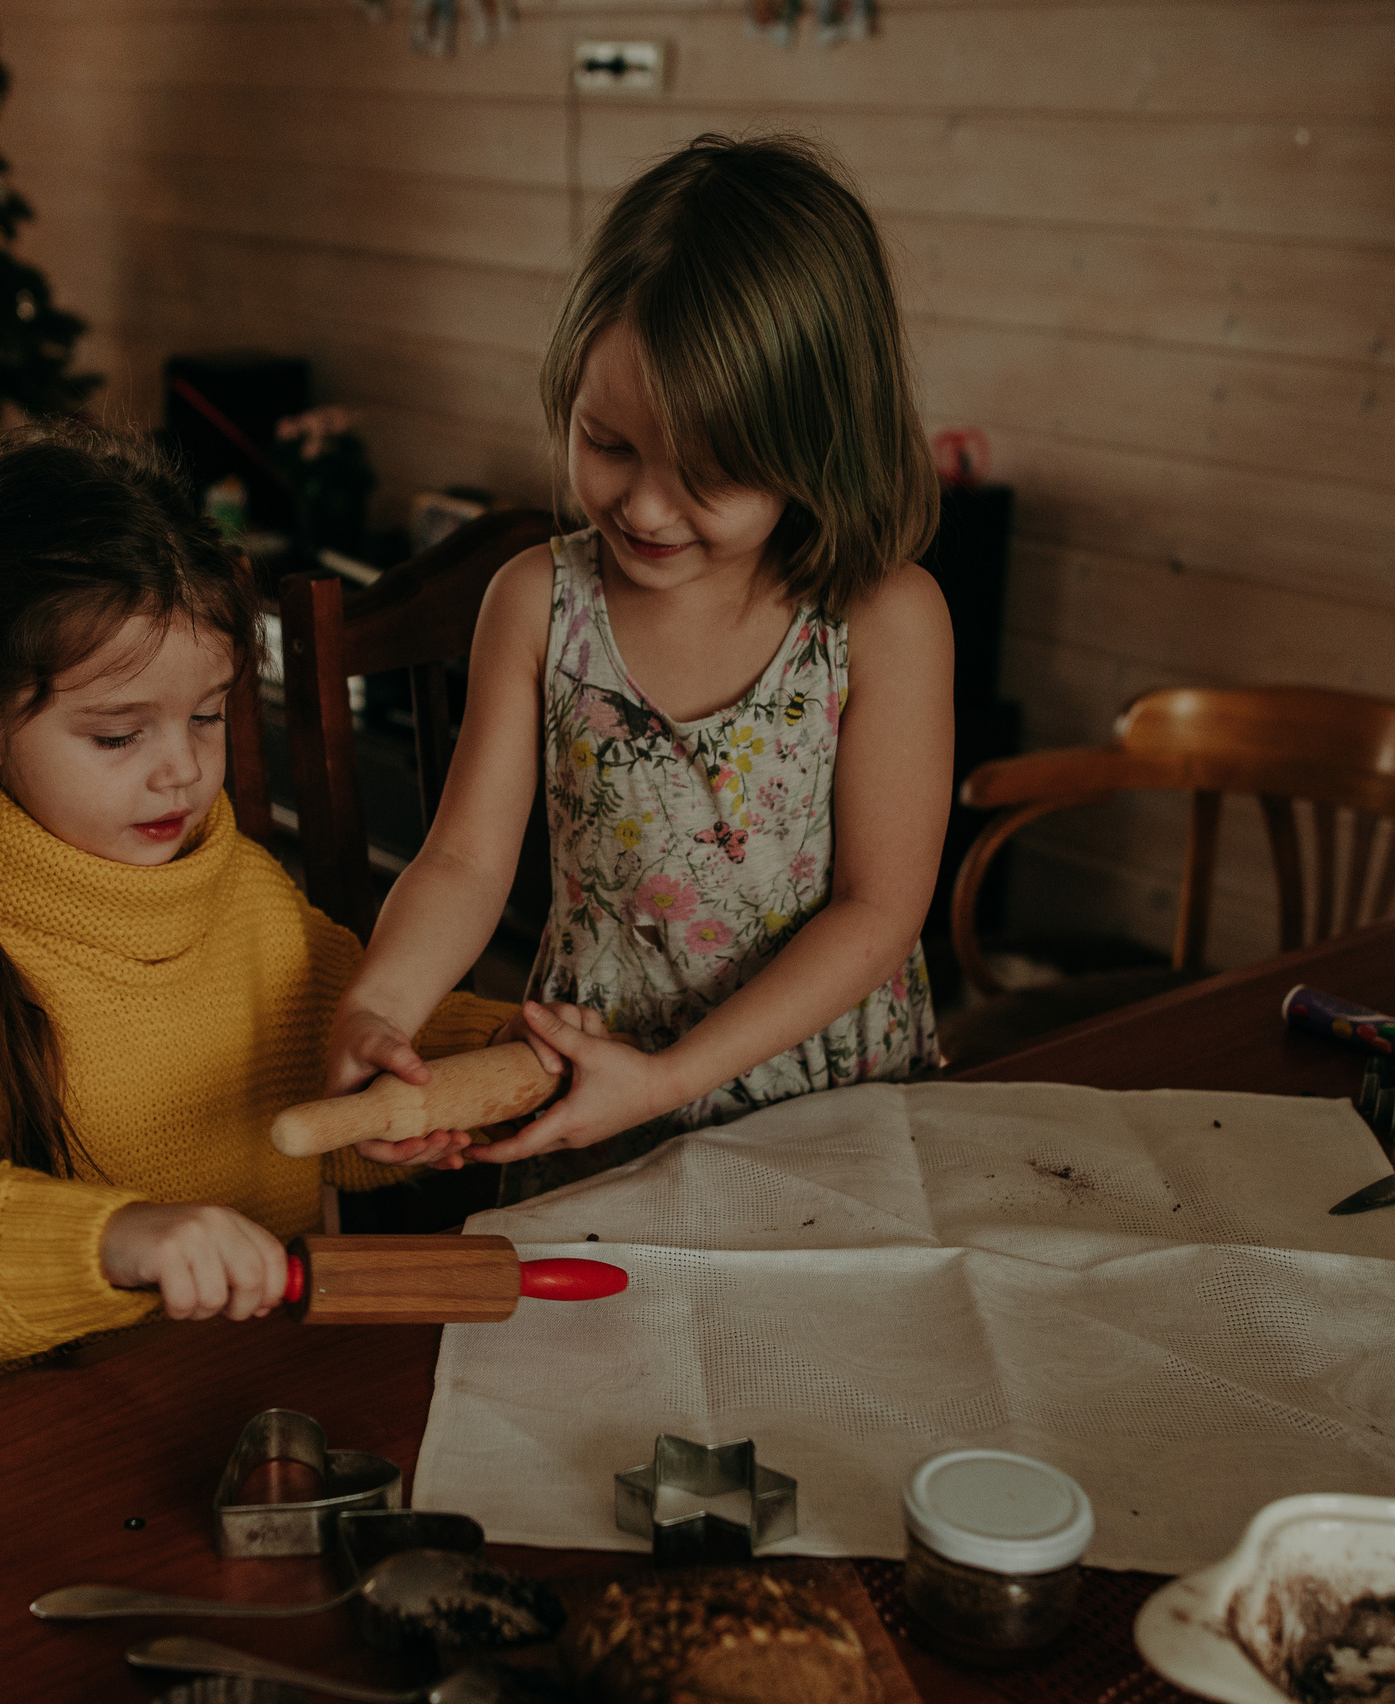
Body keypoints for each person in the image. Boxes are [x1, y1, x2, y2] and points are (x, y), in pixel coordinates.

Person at [0, 423, 509, 1400]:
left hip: (232, 1399)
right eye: (118, 736)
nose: (182, 768)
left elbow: (346, 1072)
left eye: (207, 715)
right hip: (10, 1444)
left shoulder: (244, 890)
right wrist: (112, 1241)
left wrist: (486, 1059)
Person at [324, 133, 954, 1198]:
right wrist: (378, 1007)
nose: (646, 507)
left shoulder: (884, 618)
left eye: (708, 473)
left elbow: (875, 911)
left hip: (827, 1116)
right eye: (606, 443)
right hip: (593, 1109)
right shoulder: (537, 602)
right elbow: (466, 864)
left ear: (819, 446)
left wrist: (667, 1079)